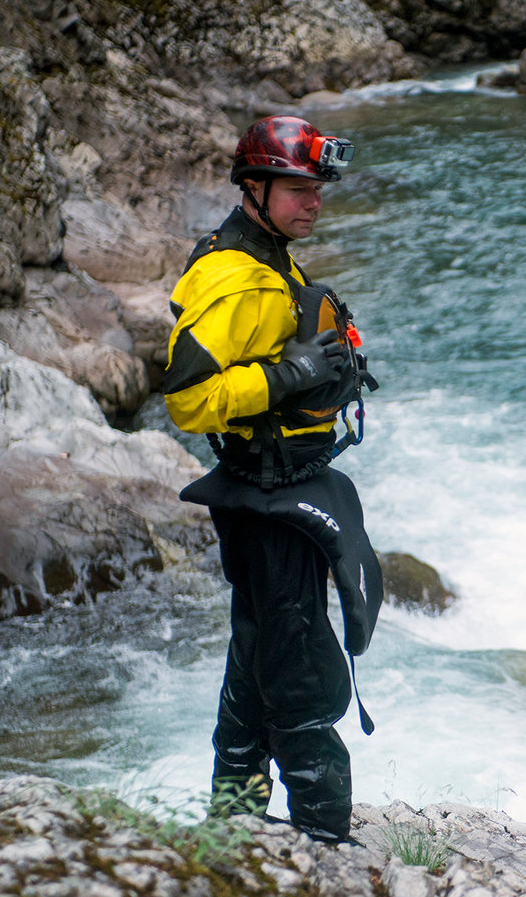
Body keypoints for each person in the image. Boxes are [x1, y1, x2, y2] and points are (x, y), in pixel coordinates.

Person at [162, 115, 383, 844]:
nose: (312, 201)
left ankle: (232, 833)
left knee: (257, 660)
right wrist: (288, 374)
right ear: (253, 188)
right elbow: (189, 399)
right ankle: (325, 847)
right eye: (295, 188)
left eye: (316, 188)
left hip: (275, 495)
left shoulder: (271, 258)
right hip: (266, 501)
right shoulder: (233, 278)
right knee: (302, 676)